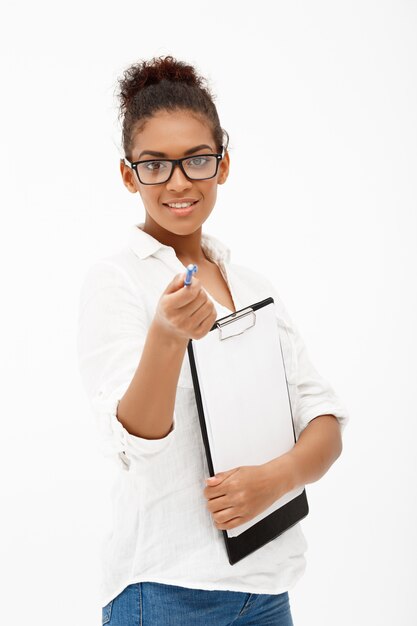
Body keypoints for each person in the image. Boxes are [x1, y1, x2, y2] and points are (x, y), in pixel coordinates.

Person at [76, 55, 349, 626]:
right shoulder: (119, 279)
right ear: (129, 175)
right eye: (154, 165)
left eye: (197, 160)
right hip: (169, 590)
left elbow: (322, 418)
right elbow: (135, 440)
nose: (178, 182)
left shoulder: (253, 287)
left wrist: (273, 480)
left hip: (268, 589)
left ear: (222, 165)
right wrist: (167, 334)